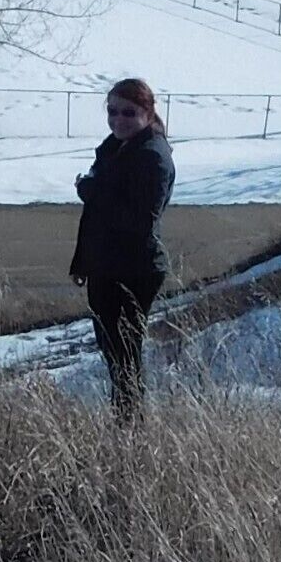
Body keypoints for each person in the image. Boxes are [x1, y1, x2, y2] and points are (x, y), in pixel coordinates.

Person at [69, 76, 175, 420]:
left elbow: (139, 221)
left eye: (128, 112)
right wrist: (83, 262)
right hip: (107, 266)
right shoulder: (117, 147)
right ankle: (125, 422)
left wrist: (91, 191)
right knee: (113, 353)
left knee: (124, 354)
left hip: (133, 270)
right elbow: (101, 214)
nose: (118, 119)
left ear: (147, 112)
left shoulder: (152, 157)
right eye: (112, 111)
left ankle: (130, 426)